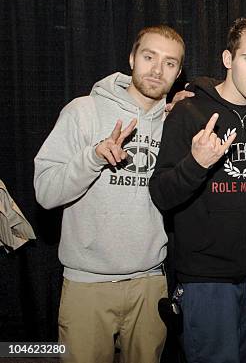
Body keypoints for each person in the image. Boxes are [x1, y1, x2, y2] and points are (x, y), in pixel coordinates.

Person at [34, 25, 185, 363]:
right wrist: (93, 157)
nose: (158, 70)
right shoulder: (82, 111)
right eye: (149, 57)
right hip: (87, 286)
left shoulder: (176, 123)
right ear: (132, 58)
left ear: (178, 73)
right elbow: (44, 192)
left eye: (170, 63)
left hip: (149, 284)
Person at [148, 15, 246, 363]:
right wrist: (197, 163)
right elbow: (161, 194)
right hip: (205, 279)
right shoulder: (189, 112)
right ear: (227, 59)